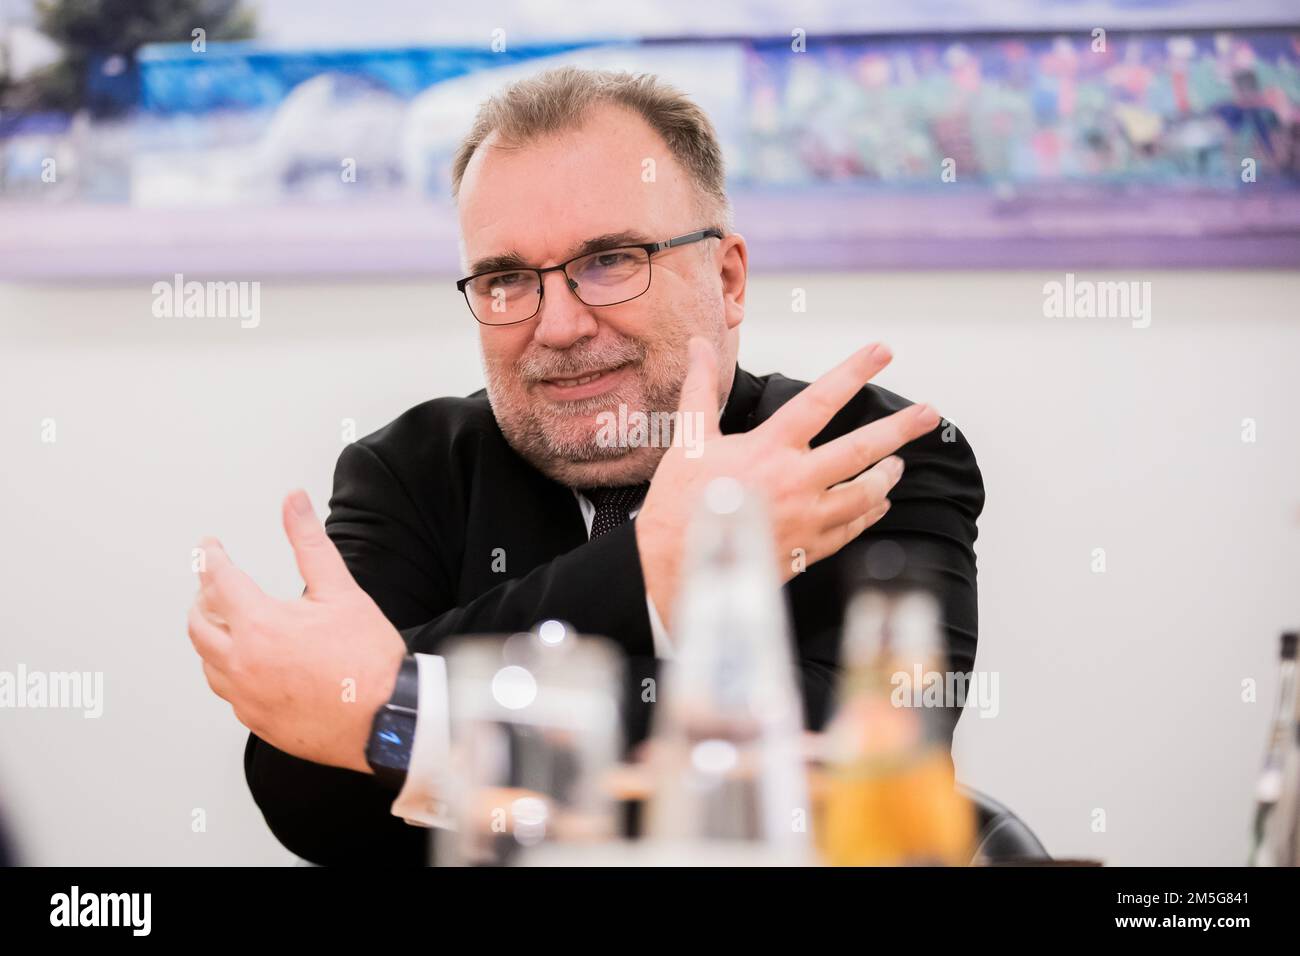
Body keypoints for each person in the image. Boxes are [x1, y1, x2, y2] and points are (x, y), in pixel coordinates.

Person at [186, 67, 984, 865]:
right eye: (506, 280)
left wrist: (401, 718)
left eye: (609, 261)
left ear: (728, 278)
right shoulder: (409, 470)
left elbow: (837, 780)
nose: (560, 326)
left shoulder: (866, 454)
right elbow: (308, 793)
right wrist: (656, 566)